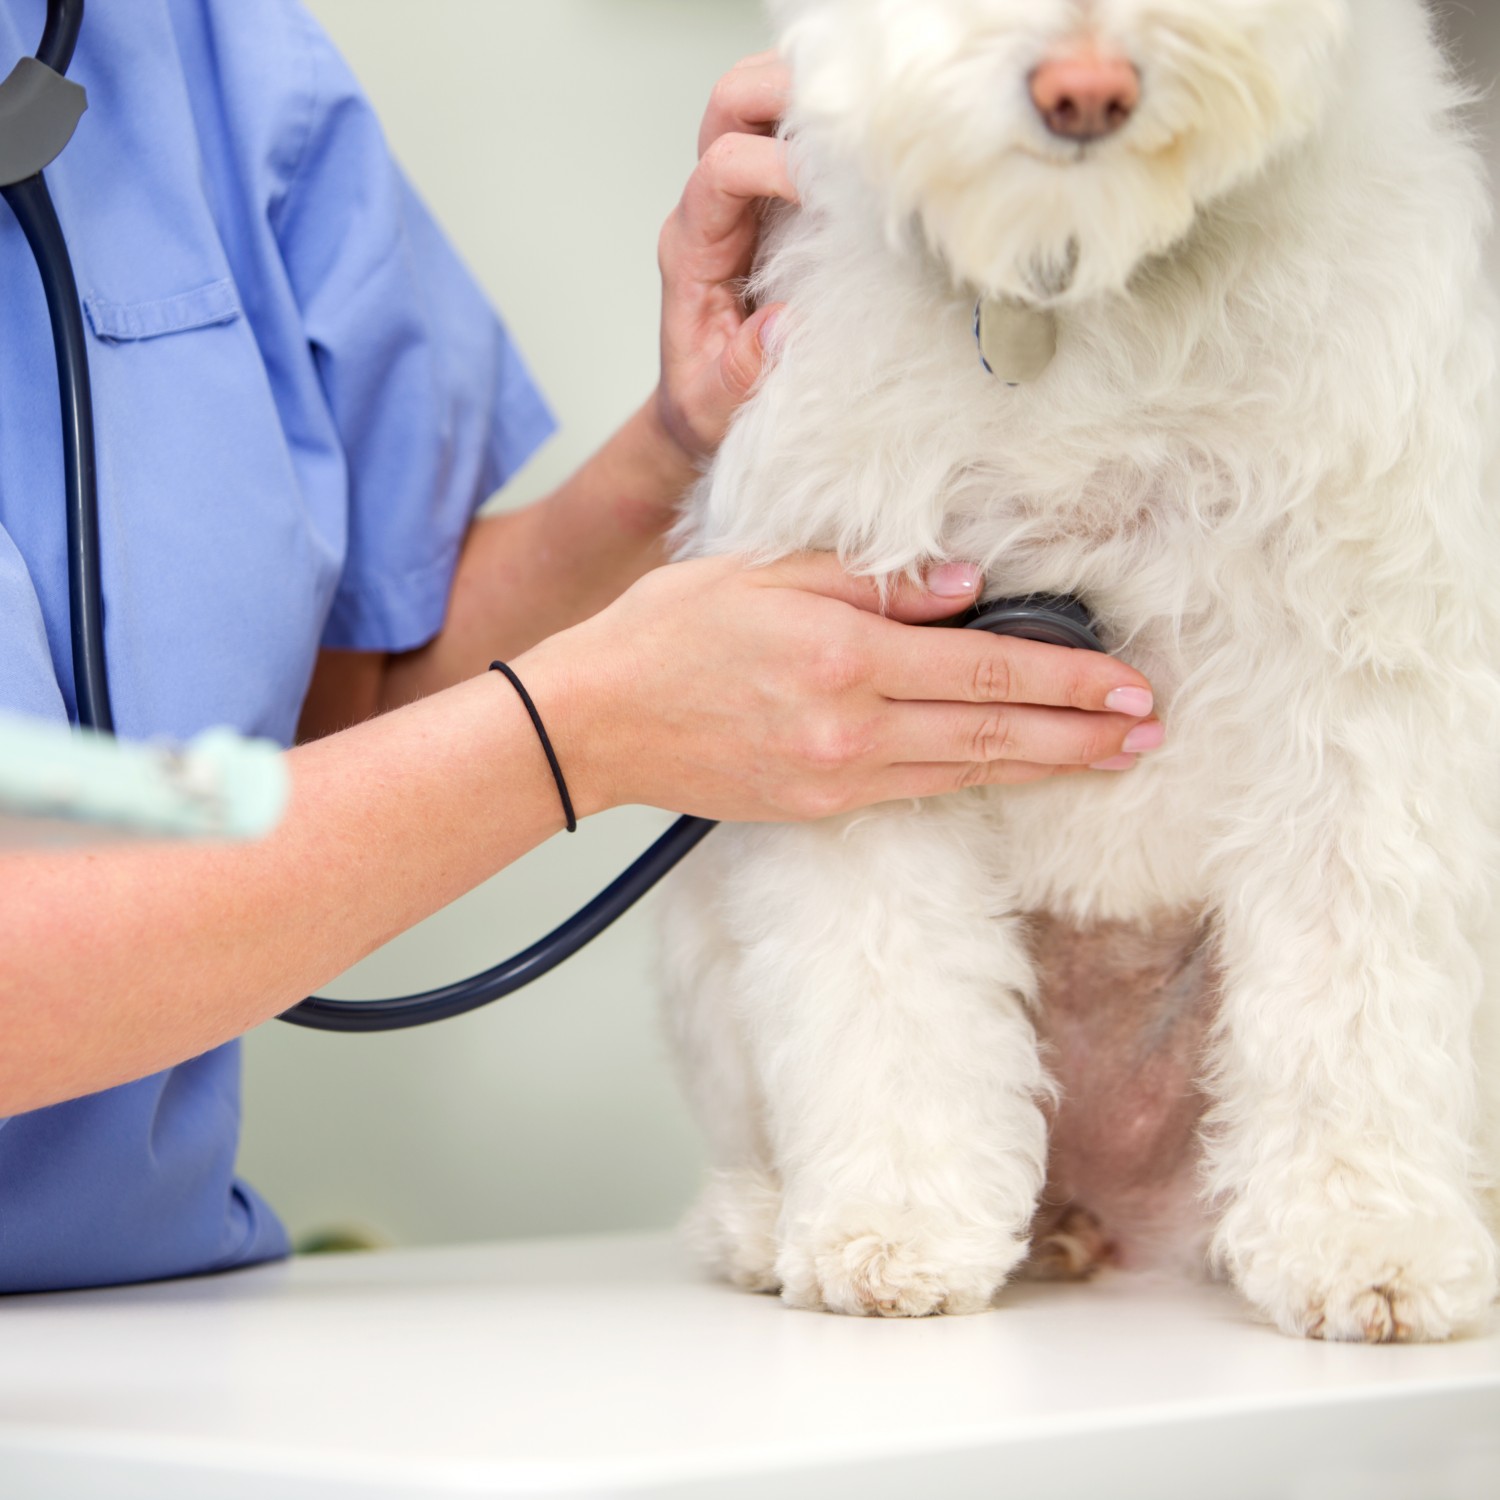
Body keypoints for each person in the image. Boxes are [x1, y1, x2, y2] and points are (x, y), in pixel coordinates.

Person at [0, 1, 1159, 1293]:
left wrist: (682, 440)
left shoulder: (201, 50)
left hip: (170, 1312)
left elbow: (347, 705)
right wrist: (579, 734)